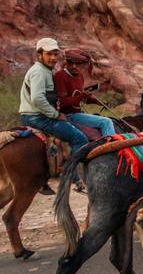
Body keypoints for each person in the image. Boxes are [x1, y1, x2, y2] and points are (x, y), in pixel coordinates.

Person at [19, 38, 88, 173]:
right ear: (39, 55)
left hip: (36, 115)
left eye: (55, 54)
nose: (53, 58)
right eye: (48, 54)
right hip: (37, 117)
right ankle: (74, 177)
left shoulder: (45, 70)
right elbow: (37, 99)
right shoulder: (39, 72)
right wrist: (55, 114)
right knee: (80, 138)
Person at [54, 48, 116, 137]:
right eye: (70, 62)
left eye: (78, 63)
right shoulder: (61, 76)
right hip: (68, 115)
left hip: (77, 113)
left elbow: (78, 97)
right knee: (106, 122)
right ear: (66, 62)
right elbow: (62, 102)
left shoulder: (79, 76)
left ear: (85, 65)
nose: (74, 66)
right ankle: (111, 147)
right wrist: (83, 95)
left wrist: (97, 102)